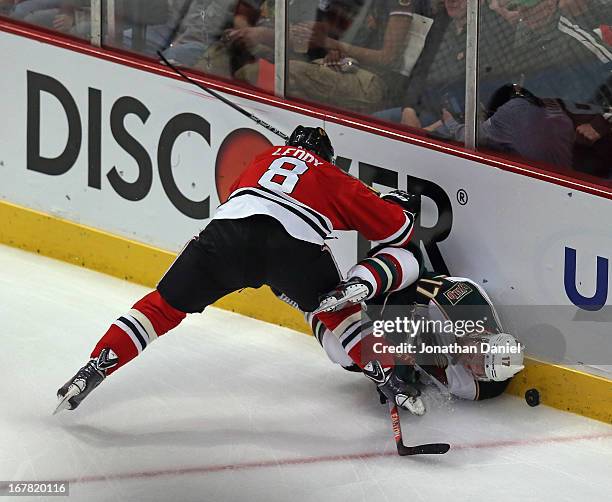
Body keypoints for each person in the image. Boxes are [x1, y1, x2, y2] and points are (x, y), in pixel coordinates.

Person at [55, 126, 425, 416]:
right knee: (338, 314)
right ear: (326, 158)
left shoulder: (262, 159)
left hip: (226, 236)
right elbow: (398, 230)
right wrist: (393, 204)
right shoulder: (330, 175)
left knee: (161, 307)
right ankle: (391, 379)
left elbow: (245, 202)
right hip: (292, 249)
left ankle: (94, 366)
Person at [309, 253, 526, 402]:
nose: (471, 367)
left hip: (411, 329)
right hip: (397, 293)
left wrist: (399, 375)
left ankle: (309, 309)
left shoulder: (480, 387)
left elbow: (424, 370)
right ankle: (318, 295)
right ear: (483, 334)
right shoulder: (465, 302)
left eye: (480, 372)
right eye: (476, 358)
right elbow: (408, 289)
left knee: (348, 357)